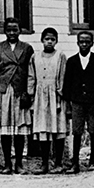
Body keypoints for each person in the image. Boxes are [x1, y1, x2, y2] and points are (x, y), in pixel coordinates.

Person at [0, 17, 34, 174]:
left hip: (19, 91)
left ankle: (19, 164)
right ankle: (7, 164)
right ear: (4, 31)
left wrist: (28, 94)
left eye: (15, 29)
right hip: (4, 91)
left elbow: (30, 73)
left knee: (19, 130)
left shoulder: (27, 48)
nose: (12, 33)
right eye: (9, 30)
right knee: (5, 130)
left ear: (20, 30)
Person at [63, 31, 94, 174]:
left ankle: (92, 160)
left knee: (93, 130)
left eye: (87, 41)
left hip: (93, 102)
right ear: (77, 43)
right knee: (77, 131)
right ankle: (75, 163)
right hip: (77, 101)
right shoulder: (72, 61)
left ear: (92, 43)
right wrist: (69, 103)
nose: (84, 44)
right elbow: (67, 84)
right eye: (82, 41)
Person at [29, 27, 68, 174]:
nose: (49, 42)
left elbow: (63, 76)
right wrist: (31, 95)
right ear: (42, 40)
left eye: (52, 39)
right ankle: (44, 163)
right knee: (43, 129)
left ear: (56, 41)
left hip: (56, 96)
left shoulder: (60, 56)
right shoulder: (35, 57)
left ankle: (58, 163)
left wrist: (60, 95)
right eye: (47, 39)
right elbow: (31, 76)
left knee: (57, 128)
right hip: (40, 96)